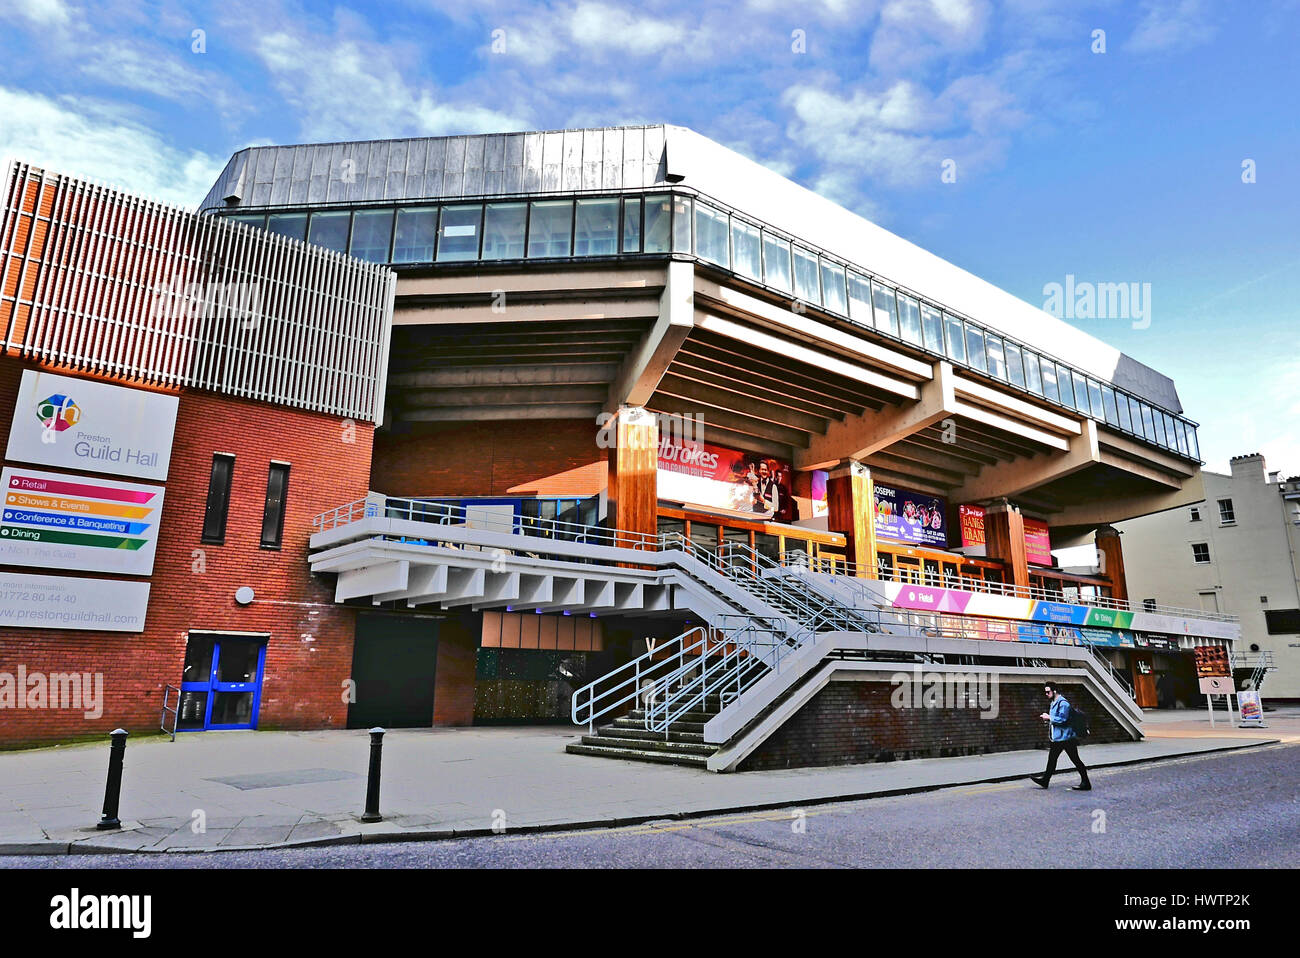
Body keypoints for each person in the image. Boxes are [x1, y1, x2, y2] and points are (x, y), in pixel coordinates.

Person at [1030, 682, 1092, 790]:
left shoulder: (1063, 703)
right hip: (1058, 738)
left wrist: (1049, 717)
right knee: (1052, 760)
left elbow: (1063, 720)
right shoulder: (1054, 702)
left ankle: (1086, 783)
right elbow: (1056, 720)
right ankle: (1045, 780)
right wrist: (1048, 719)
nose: (1046, 694)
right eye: (1045, 692)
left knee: (1075, 760)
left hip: (1066, 738)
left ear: (1054, 691)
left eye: (1048, 692)